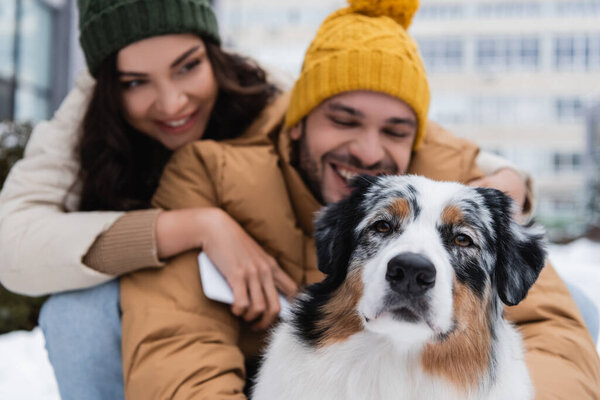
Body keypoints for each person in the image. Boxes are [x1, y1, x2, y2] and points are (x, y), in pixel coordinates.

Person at [119, 0, 600, 399]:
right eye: (344, 120)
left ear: (417, 137)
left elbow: (552, 328)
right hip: (271, 366)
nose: (369, 152)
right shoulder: (212, 172)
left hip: (428, 370)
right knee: (88, 313)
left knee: (578, 304)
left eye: (395, 129)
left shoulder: (457, 178)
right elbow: (177, 340)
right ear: (298, 120)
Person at [0, 0, 295, 398]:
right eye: (136, 82)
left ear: (213, 53)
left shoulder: (274, 101)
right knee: (76, 313)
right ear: (108, 83)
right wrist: (199, 227)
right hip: (157, 336)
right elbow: (13, 242)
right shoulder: (84, 122)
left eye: (188, 66)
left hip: (274, 337)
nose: (172, 103)